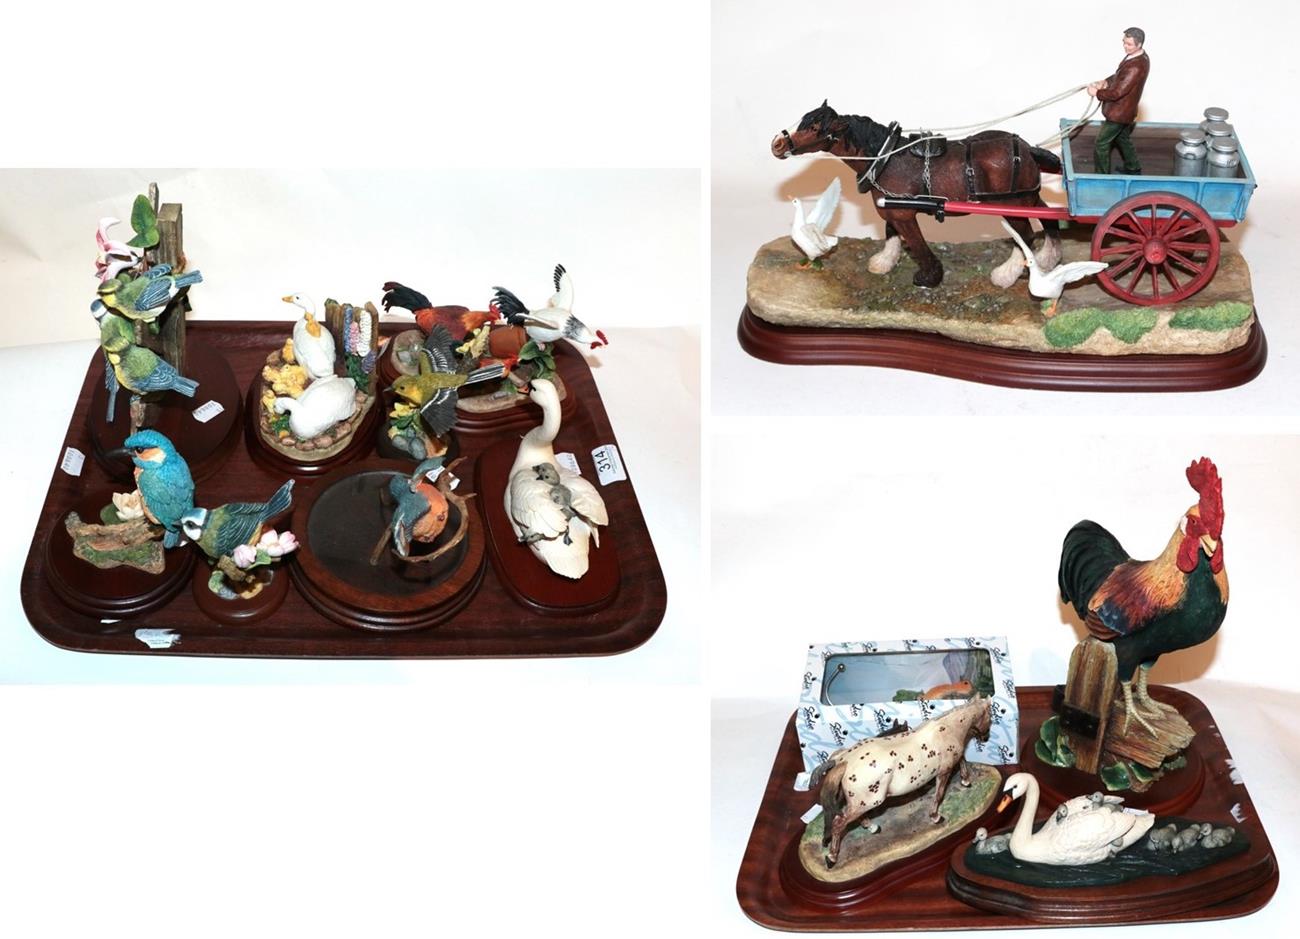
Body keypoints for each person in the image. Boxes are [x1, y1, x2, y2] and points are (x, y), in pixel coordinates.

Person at [1087, 27, 1149, 174]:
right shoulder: (1137, 57)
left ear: (1139, 44)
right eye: (1124, 42)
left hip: (1119, 113)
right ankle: (1133, 167)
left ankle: (1101, 177)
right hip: (1127, 110)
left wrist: (1097, 92)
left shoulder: (1136, 66)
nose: (1125, 46)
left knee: (1101, 143)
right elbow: (1120, 76)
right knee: (1122, 138)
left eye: (1129, 44)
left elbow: (1117, 92)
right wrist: (1106, 81)